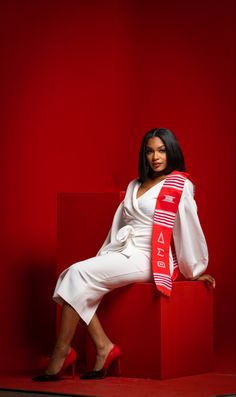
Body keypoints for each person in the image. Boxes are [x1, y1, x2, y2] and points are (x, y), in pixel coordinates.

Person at [32, 128, 215, 382]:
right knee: (74, 277)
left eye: (162, 150)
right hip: (123, 250)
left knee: (74, 274)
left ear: (171, 152)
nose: (156, 157)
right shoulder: (135, 184)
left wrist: (193, 270)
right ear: (144, 155)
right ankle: (104, 347)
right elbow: (118, 224)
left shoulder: (179, 185)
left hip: (149, 257)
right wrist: (105, 255)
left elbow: (188, 227)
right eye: (150, 151)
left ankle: (62, 351)